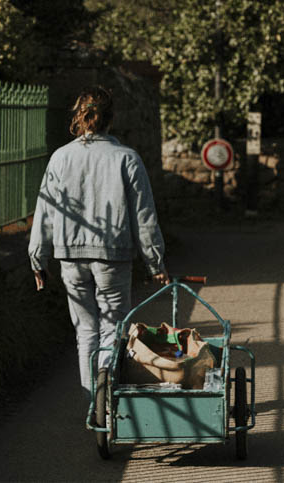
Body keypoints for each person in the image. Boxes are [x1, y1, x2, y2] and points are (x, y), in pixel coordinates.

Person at [28, 85, 168, 399]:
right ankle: (109, 395)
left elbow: (45, 210)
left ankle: (94, 402)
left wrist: (38, 259)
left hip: (70, 256)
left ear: (79, 117)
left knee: (85, 332)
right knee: (113, 329)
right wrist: (155, 263)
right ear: (111, 119)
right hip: (113, 256)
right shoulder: (127, 159)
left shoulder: (60, 158)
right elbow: (144, 216)